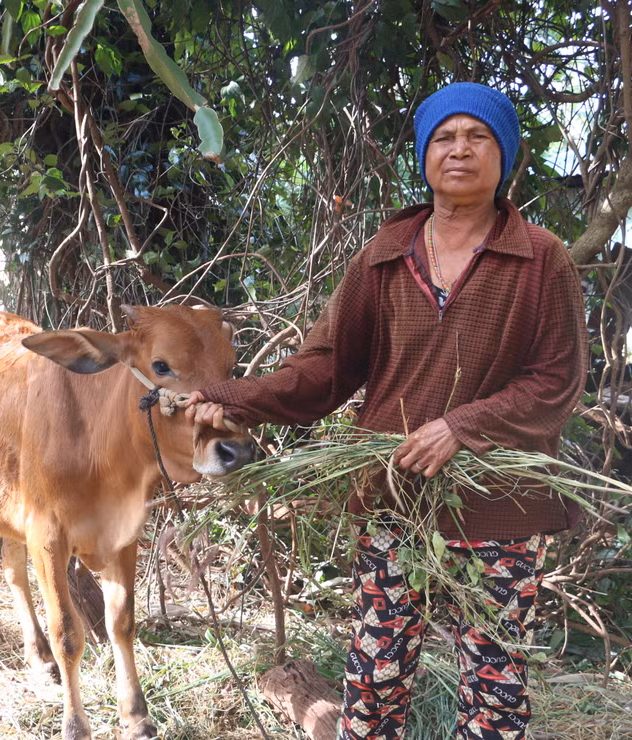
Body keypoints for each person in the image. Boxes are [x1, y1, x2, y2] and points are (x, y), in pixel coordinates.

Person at [186, 82, 587, 740]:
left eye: (478, 136)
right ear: (425, 155)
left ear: (504, 154)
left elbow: (557, 382)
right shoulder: (383, 257)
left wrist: (462, 427)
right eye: (445, 137)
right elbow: (323, 372)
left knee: (496, 687)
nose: (460, 149)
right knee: (375, 676)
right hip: (395, 496)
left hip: (502, 507)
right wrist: (230, 396)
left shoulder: (542, 259)